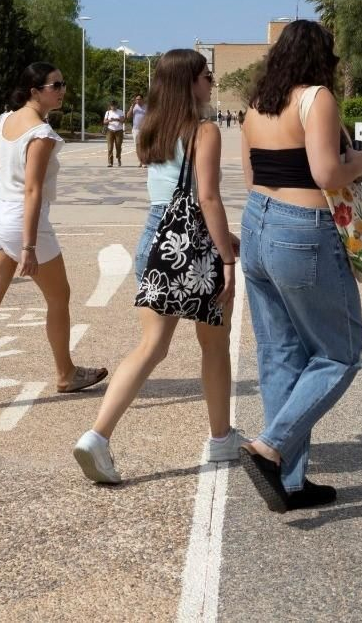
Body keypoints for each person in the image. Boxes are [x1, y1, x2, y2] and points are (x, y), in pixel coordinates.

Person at [73, 49, 242, 484]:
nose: (211, 83)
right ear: (189, 82)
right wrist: (226, 255)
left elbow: (170, 193)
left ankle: (98, 435)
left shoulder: (150, 128)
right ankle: (221, 439)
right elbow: (207, 199)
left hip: (154, 237)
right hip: (195, 244)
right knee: (214, 344)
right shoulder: (205, 131)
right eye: (206, 76)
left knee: (151, 346)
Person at [236, 20, 362, 512]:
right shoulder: (317, 98)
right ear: (322, 56)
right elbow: (327, 172)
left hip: (256, 224)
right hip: (302, 228)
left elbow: (250, 175)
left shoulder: (256, 107)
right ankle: (270, 448)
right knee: (341, 352)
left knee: (280, 354)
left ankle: (289, 483)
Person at [0, 63, 107, 410]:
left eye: (62, 83)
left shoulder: (6, 119)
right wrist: (27, 246)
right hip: (20, 220)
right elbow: (32, 190)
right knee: (60, 297)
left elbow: (2, 166)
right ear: (34, 91)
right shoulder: (41, 134)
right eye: (55, 85)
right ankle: (66, 374)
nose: (62, 90)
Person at [103, 98, 125, 167]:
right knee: (110, 147)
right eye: (112, 105)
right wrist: (109, 120)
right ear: (110, 106)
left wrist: (117, 119)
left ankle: (118, 159)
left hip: (119, 131)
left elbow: (123, 120)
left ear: (117, 105)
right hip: (110, 131)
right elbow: (104, 122)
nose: (113, 107)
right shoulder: (108, 112)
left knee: (118, 146)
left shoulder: (120, 111)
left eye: (114, 105)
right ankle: (110, 162)